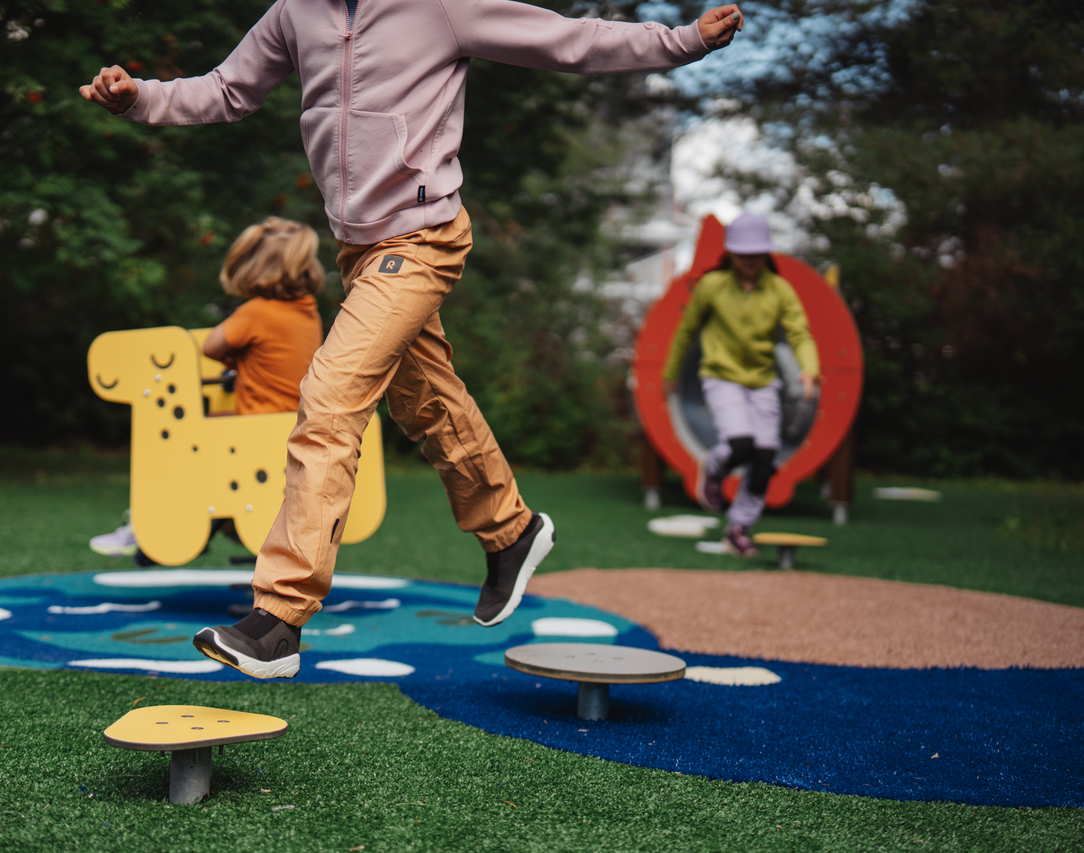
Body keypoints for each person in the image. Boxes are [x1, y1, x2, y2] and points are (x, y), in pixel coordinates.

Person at [80, 0, 745, 679]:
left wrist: (683, 40)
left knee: (330, 398)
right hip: (359, 252)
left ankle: (278, 617)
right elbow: (228, 88)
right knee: (426, 400)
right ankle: (510, 532)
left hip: (423, 239)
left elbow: (567, 40)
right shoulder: (295, 12)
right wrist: (139, 98)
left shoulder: (440, 7)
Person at [89, 217, 325, 561]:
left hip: (254, 428)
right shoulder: (308, 313)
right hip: (289, 425)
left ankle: (149, 526)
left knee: (179, 443)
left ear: (253, 268)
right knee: (211, 427)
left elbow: (210, 346)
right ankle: (216, 523)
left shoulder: (256, 313)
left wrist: (233, 357)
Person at [662, 213, 819, 557]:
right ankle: (714, 466)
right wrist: (670, 374)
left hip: (763, 381)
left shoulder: (779, 290)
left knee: (764, 459)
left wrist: (809, 369)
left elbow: (799, 333)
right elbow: (686, 330)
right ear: (731, 253)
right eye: (743, 254)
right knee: (741, 444)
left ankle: (738, 527)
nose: (750, 260)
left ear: (766, 253)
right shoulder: (712, 286)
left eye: (756, 254)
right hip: (721, 376)